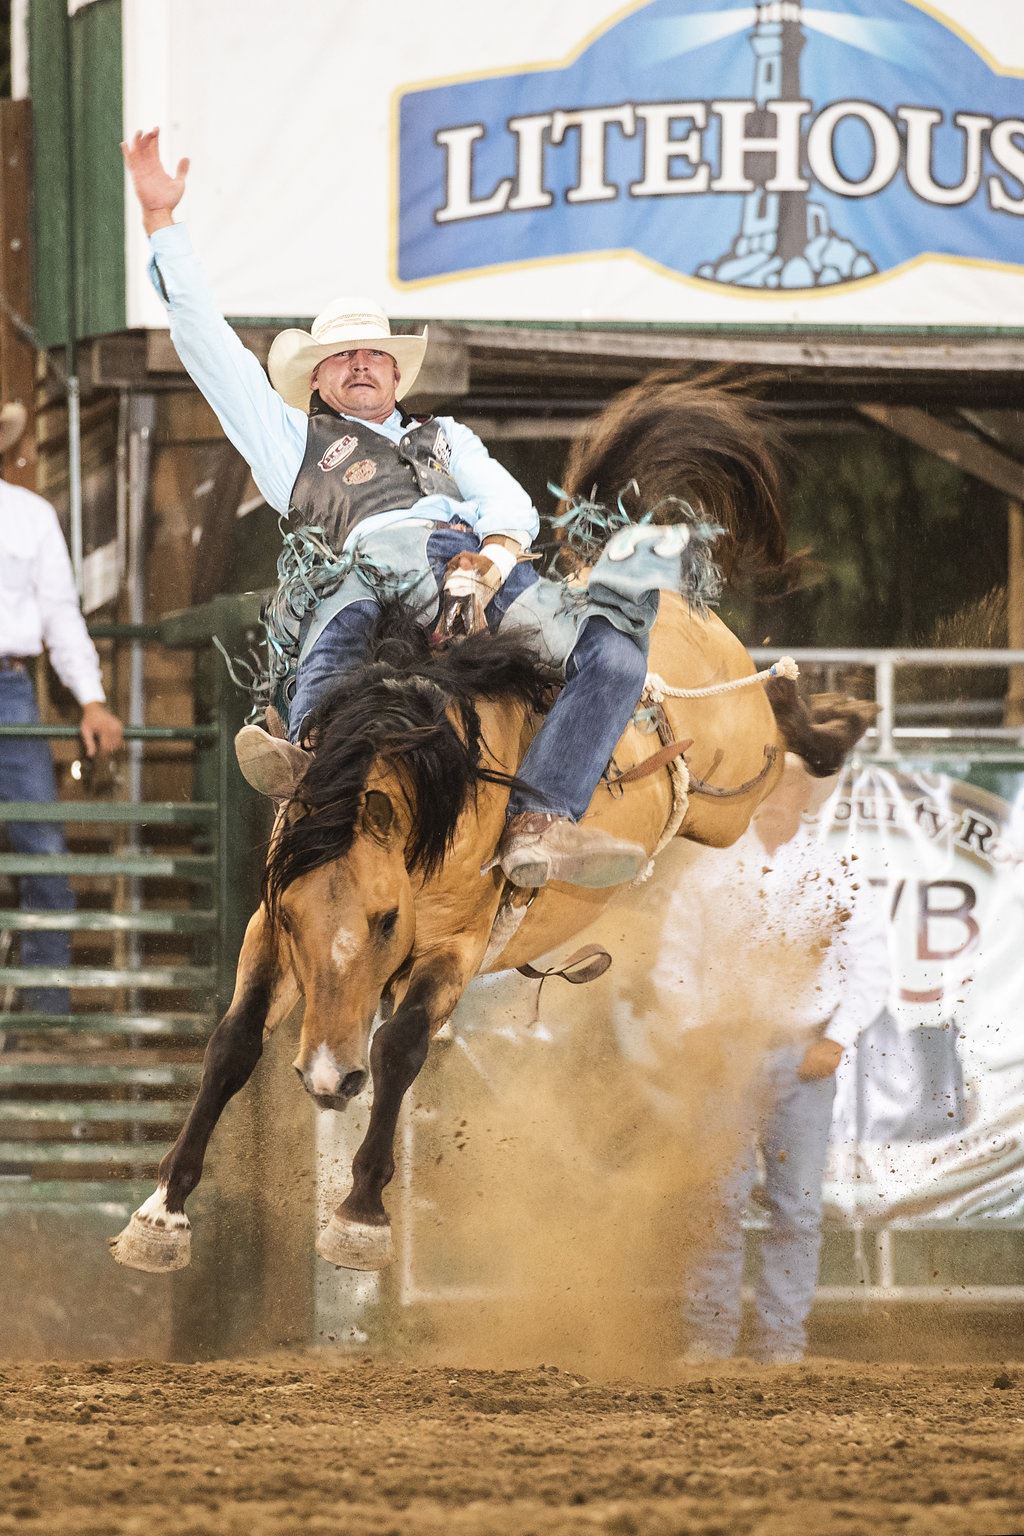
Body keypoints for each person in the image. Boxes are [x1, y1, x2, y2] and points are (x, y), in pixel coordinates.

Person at [120, 128, 651, 891]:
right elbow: (205, 342)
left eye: (375, 353)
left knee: (618, 651)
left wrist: (492, 560)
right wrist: (162, 225)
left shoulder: (448, 437)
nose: (363, 362)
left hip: (474, 563)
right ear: (317, 378)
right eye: (344, 355)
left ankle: (541, 819)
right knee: (341, 630)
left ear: (397, 374)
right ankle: (309, 754)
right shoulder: (289, 442)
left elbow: (506, 500)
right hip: (366, 564)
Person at [680, 754, 890, 1365]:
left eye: (793, 784)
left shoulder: (838, 873)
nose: (780, 794)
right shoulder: (710, 868)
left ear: (808, 798)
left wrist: (837, 1036)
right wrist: (695, 1030)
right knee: (714, 1201)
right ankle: (710, 1339)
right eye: (772, 780)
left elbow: (870, 968)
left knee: (795, 1207)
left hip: (801, 1051)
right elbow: (677, 956)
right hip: (726, 1053)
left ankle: (780, 1344)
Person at [0, 402, 124, 1013]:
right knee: (39, 846)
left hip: (9, 686)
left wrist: (93, 700)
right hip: (13, 691)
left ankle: (45, 1011)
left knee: (42, 847)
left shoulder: (30, 517)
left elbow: (60, 615)